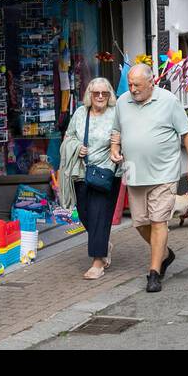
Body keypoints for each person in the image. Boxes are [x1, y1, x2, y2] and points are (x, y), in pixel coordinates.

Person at [110, 64, 188, 293]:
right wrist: (114, 147)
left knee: (159, 221)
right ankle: (166, 254)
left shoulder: (168, 101)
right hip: (133, 171)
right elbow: (116, 129)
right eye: (130, 84)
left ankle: (154, 273)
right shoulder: (122, 101)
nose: (132, 89)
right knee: (140, 223)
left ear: (151, 83)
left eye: (137, 85)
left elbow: (187, 133)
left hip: (164, 173)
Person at [59, 77, 120, 280]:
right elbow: (69, 137)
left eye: (105, 93)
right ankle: (103, 243)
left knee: (99, 214)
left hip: (108, 172)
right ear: (90, 96)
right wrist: (77, 147)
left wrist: (118, 148)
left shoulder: (116, 114)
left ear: (110, 95)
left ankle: (97, 261)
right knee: (85, 214)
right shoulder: (80, 113)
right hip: (82, 172)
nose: (100, 97)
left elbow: (126, 136)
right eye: (96, 94)